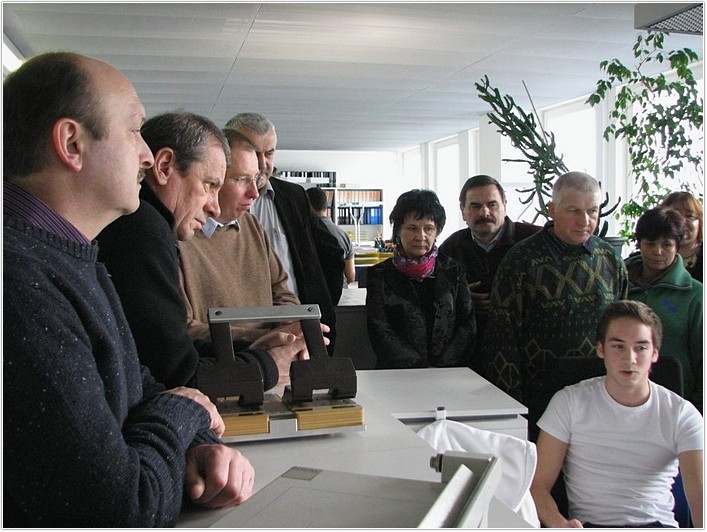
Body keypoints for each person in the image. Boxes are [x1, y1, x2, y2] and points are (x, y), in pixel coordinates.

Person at [4, 51, 254, 527]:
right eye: (134, 130)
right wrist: (184, 411)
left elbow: (132, 384)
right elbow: (121, 510)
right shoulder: (19, 282)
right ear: (72, 144)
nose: (146, 153)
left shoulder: (68, 254)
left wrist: (196, 444)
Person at [97, 111, 306, 391]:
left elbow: (175, 353)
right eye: (210, 185)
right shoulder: (144, 231)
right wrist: (265, 364)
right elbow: (177, 373)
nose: (214, 207)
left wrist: (254, 347)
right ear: (164, 166)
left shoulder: (152, 226)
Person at [530, 300, 703, 528]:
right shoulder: (569, 402)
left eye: (641, 347)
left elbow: (701, 498)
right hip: (591, 525)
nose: (629, 358)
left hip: (657, 524)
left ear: (655, 353)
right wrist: (559, 524)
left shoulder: (682, 414)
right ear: (601, 349)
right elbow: (537, 485)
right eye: (618, 346)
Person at [480, 172, 628, 420]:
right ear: (552, 210)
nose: (584, 221)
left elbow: (623, 331)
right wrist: (513, 409)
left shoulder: (610, 259)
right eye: (574, 211)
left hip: (601, 397)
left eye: (592, 211)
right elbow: (501, 339)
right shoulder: (521, 260)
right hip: (539, 398)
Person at [178, 130, 323, 360]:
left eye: (256, 179)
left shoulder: (252, 225)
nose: (254, 193)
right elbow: (182, 329)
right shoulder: (180, 234)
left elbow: (282, 292)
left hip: (270, 365)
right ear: (214, 179)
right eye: (241, 179)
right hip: (216, 369)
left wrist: (292, 330)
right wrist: (266, 338)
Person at [223, 113, 344, 353]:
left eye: (269, 153)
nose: (262, 163)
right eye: (253, 153)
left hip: (298, 329)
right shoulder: (215, 207)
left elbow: (330, 252)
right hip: (241, 337)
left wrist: (323, 304)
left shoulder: (294, 197)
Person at [365, 189, 476, 369]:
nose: (421, 236)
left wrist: (444, 364)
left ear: (437, 231)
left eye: (428, 228)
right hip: (398, 373)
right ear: (398, 231)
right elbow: (379, 327)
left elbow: (467, 323)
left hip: (449, 372)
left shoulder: (453, 270)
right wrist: (419, 366)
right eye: (412, 228)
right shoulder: (380, 274)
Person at [439, 174, 541, 360]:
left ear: (504, 205)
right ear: (462, 210)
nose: (484, 213)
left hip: (527, 352)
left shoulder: (534, 241)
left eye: (492, 204)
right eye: (475, 206)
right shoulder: (451, 247)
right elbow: (435, 297)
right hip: (471, 353)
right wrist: (461, 297)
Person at [624, 207, 703, 413]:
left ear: (677, 246)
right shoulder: (618, 285)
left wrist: (699, 406)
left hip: (678, 402)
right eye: (650, 243)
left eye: (666, 244)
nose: (657, 251)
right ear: (639, 243)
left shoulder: (695, 295)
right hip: (622, 398)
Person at [306, 185, 356, 289]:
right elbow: (351, 277)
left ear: (306, 206)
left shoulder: (304, 233)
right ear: (326, 206)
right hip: (340, 293)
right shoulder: (343, 235)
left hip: (311, 292)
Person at [660, 191, 703, 283]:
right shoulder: (645, 257)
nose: (682, 221)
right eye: (675, 214)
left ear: (700, 222)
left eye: (689, 216)